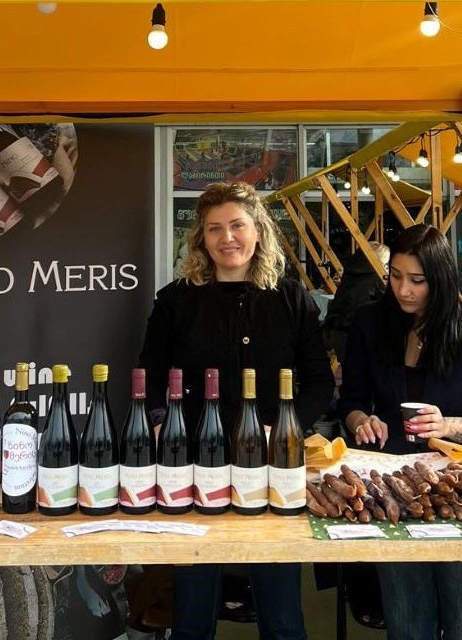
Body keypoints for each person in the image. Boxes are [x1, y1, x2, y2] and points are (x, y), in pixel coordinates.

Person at [138, 181, 334, 640]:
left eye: (237, 225)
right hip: (190, 466)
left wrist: (284, 430)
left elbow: (320, 381)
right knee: (190, 611)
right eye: (214, 229)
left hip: (271, 467)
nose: (228, 237)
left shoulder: (290, 299)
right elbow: (148, 376)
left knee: (282, 614)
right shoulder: (175, 301)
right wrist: (162, 425)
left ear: (258, 231)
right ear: (201, 240)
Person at [338, 224, 462, 640]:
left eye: (417, 281)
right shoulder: (370, 324)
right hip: (394, 485)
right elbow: (350, 402)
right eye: (395, 276)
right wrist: (363, 421)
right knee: (407, 618)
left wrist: (450, 424)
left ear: (441, 278)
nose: (403, 290)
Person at [323, 242, 390, 360]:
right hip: (363, 337)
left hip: (339, 333)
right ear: (378, 263)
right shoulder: (376, 280)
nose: (387, 270)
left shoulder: (350, 274)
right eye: (386, 265)